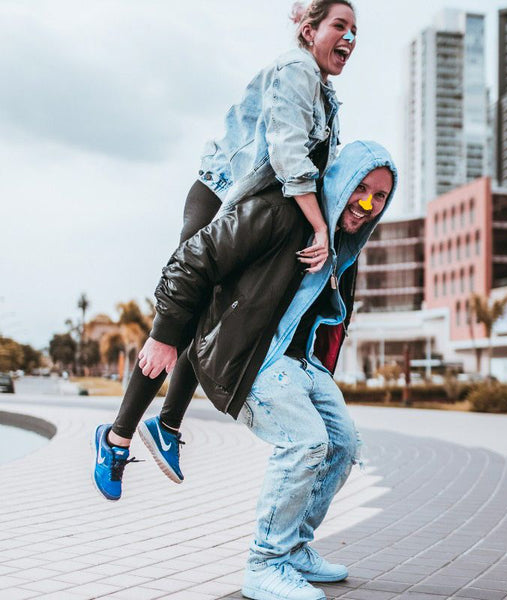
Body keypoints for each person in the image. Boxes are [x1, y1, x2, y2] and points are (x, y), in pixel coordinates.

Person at [95, 140, 397, 600]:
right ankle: (265, 564)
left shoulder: (345, 246)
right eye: (363, 189)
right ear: (340, 180)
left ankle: (294, 550)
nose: (368, 204)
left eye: (380, 197)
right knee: (305, 442)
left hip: (296, 360)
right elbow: (194, 258)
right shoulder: (281, 212)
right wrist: (164, 332)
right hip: (246, 355)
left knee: (343, 445)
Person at [92, 0, 358, 493]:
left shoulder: (324, 91)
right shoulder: (296, 70)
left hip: (247, 207)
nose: (349, 38)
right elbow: (287, 155)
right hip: (221, 193)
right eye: (339, 26)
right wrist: (320, 229)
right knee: (177, 318)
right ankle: (117, 436)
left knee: (208, 313)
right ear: (308, 29)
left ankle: (164, 426)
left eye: (354, 31)